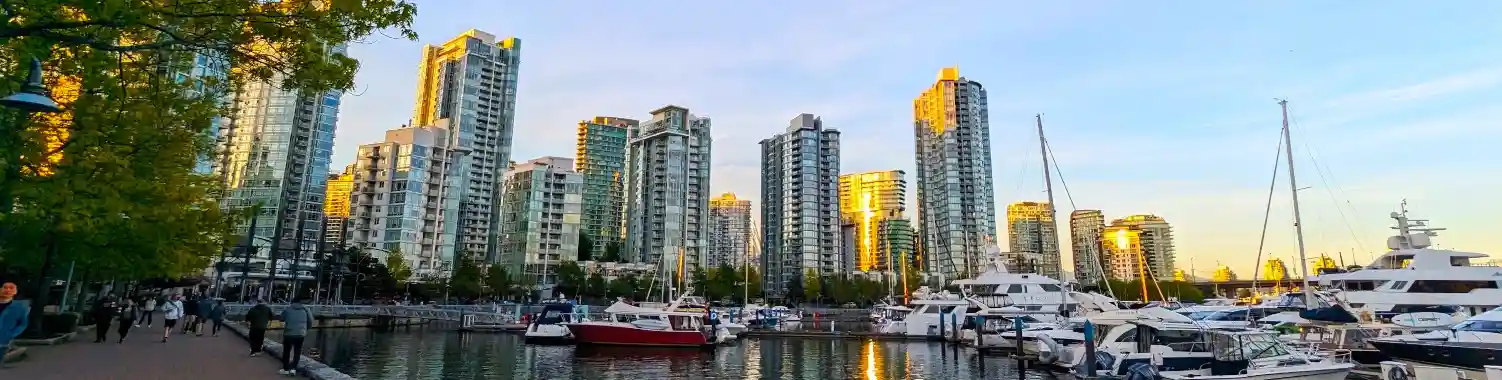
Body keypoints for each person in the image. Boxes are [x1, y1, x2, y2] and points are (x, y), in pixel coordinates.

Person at [278, 298, 314, 375]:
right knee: (297, 351)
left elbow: (281, 318)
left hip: (289, 333)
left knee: (286, 351)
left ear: (292, 302)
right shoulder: (306, 309)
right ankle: (293, 368)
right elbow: (311, 321)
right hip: (301, 333)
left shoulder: (288, 309)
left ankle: (286, 368)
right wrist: (305, 329)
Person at [0, 282, 28, 351]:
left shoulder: (19, 308)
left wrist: (12, 334)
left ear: (15, 292)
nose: (8, 290)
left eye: (11, 288)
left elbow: (23, 324)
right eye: (5, 288)